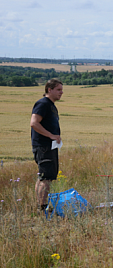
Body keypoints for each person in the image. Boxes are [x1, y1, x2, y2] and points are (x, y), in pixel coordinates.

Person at [30, 78, 63, 213]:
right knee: (46, 177)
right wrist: (51, 135)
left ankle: (40, 206)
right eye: (58, 90)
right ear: (49, 90)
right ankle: (42, 208)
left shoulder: (50, 105)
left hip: (49, 146)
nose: (61, 93)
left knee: (44, 176)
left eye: (62, 90)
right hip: (44, 146)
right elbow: (34, 123)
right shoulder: (43, 104)